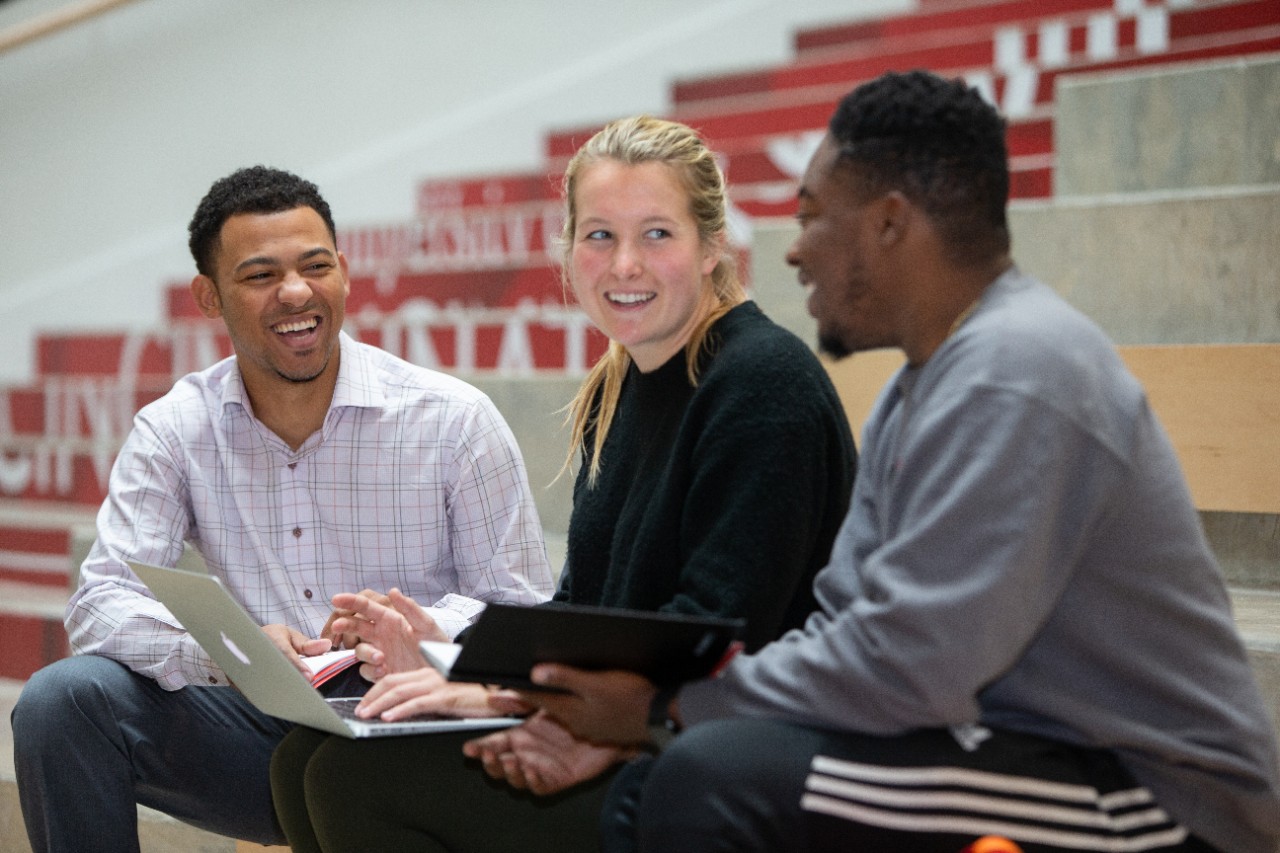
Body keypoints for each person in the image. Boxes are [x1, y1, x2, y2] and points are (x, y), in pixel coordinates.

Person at [486, 71, 1280, 853]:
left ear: (889, 225)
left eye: (814, 218)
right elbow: (845, 620)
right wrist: (648, 716)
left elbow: (916, 666)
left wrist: (664, 707)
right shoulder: (919, 387)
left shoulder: (1015, 370)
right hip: (998, 739)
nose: (795, 252)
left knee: (703, 779)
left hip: (1154, 790)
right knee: (673, 777)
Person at [268, 115, 859, 853]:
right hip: (631, 722)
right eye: (600, 235)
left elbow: (713, 636)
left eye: (657, 234)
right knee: (300, 758)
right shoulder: (622, 385)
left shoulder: (762, 384)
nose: (624, 265)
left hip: (721, 756)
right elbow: (585, 609)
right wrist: (450, 648)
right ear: (570, 250)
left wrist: (495, 695)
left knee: (353, 778)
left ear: (713, 246)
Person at [10, 165, 555, 852]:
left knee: (341, 770)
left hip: (417, 727)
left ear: (345, 274)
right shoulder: (176, 428)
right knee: (62, 702)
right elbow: (100, 602)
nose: (296, 291)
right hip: (261, 727)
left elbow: (524, 612)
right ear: (209, 297)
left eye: (315, 266)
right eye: (261, 274)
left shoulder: (454, 419)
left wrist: (421, 631)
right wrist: (231, 651)